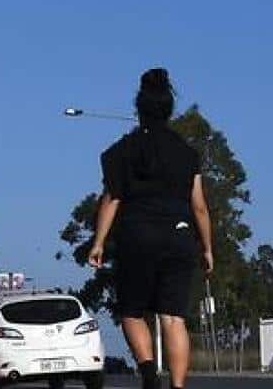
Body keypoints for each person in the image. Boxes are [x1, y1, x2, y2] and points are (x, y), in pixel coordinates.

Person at [88, 68, 214, 389]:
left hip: (137, 236)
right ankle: (178, 386)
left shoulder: (123, 151)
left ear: (138, 109)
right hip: (180, 235)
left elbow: (113, 198)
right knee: (173, 318)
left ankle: (147, 373)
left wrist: (98, 242)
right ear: (169, 109)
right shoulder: (186, 153)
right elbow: (199, 205)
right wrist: (207, 248)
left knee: (131, 312)